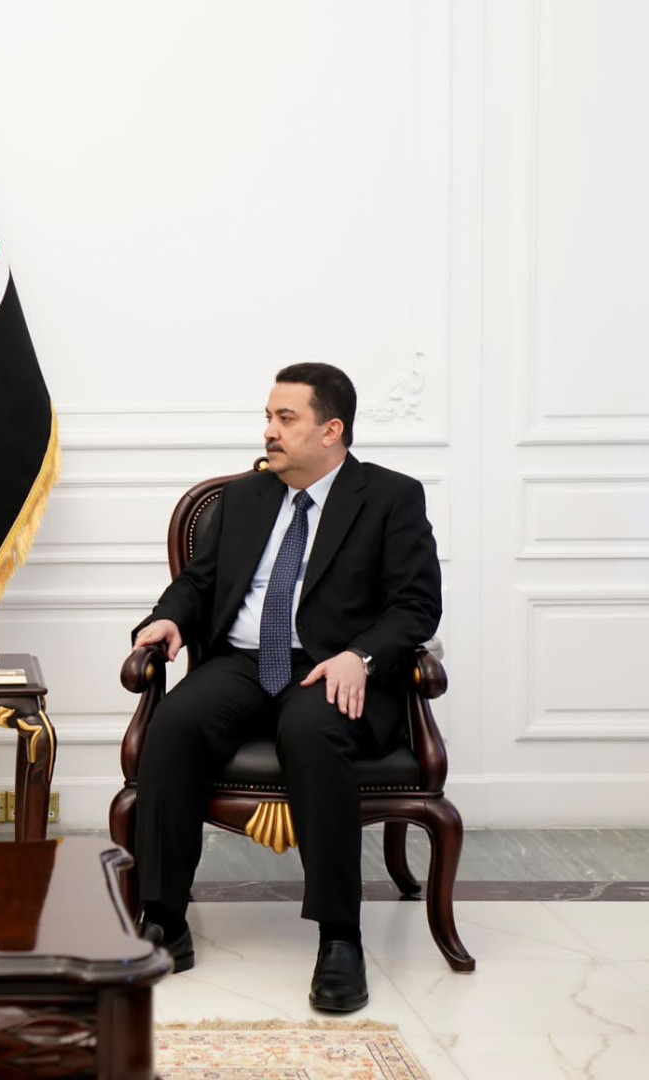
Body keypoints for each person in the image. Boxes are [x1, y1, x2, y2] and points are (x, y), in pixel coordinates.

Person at [130, 362, 441, 1012]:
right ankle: (164, 919)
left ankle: (340, 938)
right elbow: (199, 582)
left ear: (331, 430)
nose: (270, 430)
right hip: (244, 662)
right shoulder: (246, 497)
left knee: (311, 729)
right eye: (268, 417)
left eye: (285, 418)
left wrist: (362, 655)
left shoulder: (391, 497)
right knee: (175, 725)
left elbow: (416, 606)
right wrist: (169, 617)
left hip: (330, 666)